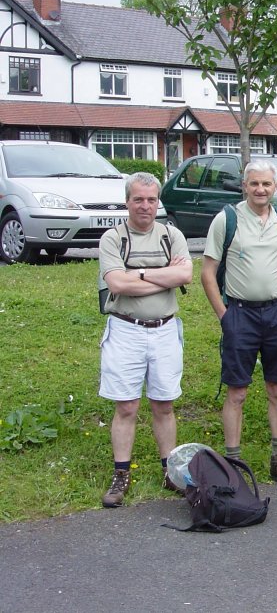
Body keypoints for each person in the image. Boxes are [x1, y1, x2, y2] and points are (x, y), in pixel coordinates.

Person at [201, 159, 277, 488]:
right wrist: (225, 316)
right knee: (237, 392)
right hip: (240, 314)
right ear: (244, 186)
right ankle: (232, 464)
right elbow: (207, 272)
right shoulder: (227, 220)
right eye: (254, 184)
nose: (261, 189)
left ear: (275, 188)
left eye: (267, 184)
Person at [98, 172, 193, 508]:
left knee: (164, 404)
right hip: (125, 330)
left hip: (165, 330)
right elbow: (117, 285)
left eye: (151, 200)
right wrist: (160, 277)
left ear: (158, 202)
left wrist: (136, 274)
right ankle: (121, 473)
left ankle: (171, 471)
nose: (145, 206)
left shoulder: (172, 235)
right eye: (138, 199)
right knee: (126, 406)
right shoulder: (113, 239)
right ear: (127, 201)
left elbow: (184, 275)